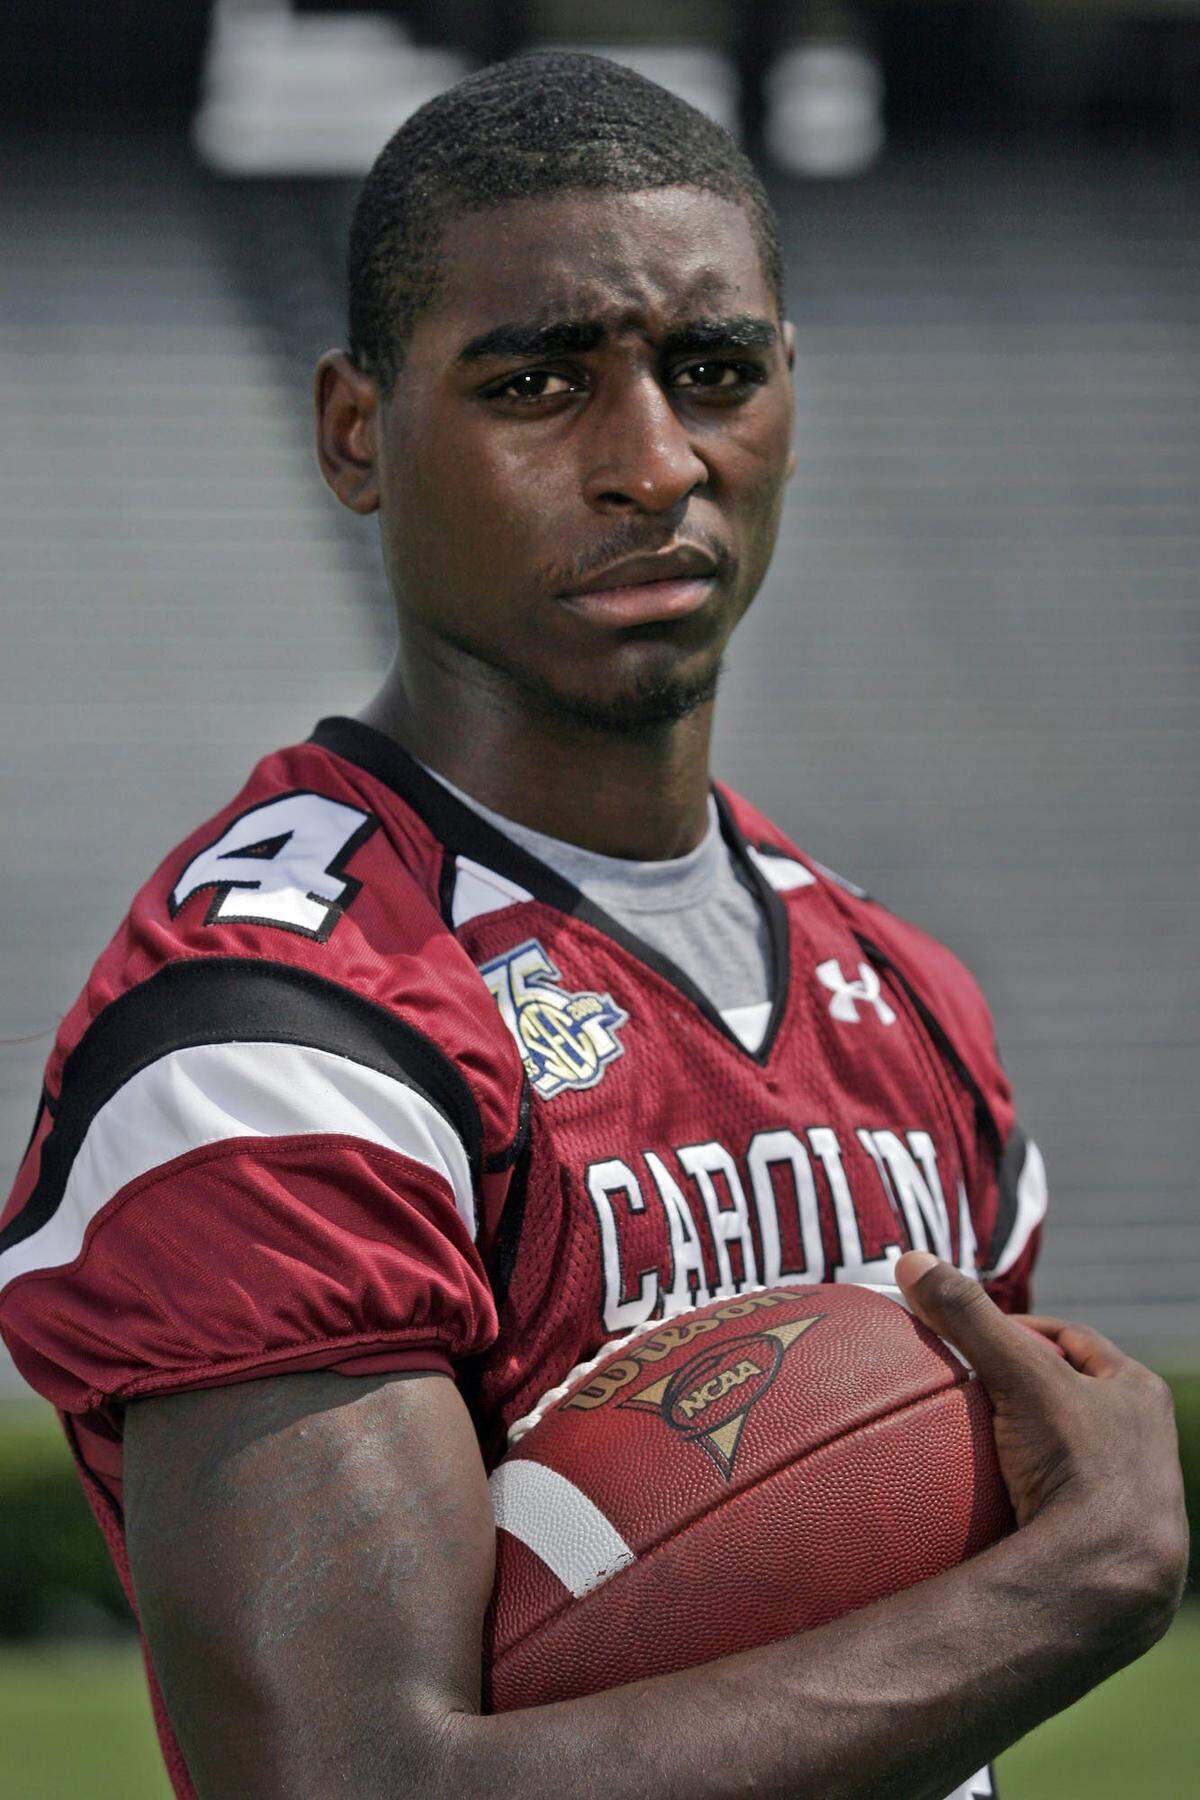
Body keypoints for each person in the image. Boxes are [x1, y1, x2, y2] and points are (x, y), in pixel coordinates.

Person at [0, 51, 1185, 1800]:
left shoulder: (908, 995)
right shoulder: (267, 1037)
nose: (652, 462)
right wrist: (1077, 1584)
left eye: (714, 372)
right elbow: (353, 1782)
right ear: (353, 432)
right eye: (537, 383)